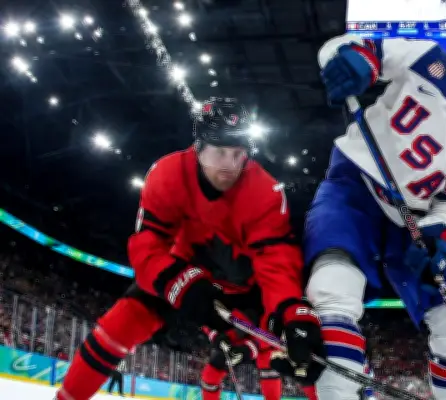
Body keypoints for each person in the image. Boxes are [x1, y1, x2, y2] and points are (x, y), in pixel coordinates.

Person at [305, 33, 446, 400]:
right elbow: (341, 49)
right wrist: (354, 61)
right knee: (333, 290)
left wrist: (441, 236)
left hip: (412, 217)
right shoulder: (428, 59)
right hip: (354, 188)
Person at [55, 97, 325, 400]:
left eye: (238, 154)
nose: (229, 165)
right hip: (186, 269)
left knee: (298, 349)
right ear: (198, 148)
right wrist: (176, 282)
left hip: (248, 290)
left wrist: (290, 310)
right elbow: (147, 245)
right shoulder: (167, 174)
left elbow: (277, 261)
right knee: (121, 323)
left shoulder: (265, 191)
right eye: (219, 152)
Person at [200, 314, 318, 400]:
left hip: (262, 333)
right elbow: (200, 319)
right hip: (242, 334)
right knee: (211, 373)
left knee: (271, 359)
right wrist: (213, 334)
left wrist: (249, 348)